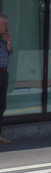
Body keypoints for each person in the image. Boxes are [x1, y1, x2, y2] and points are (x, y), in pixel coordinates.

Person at [0, 12, 11, 144]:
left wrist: (8, 42)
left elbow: (8, 54)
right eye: (5, 24)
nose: (7, 26)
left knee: (1, 105)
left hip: (3, 73)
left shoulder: (3, 39)